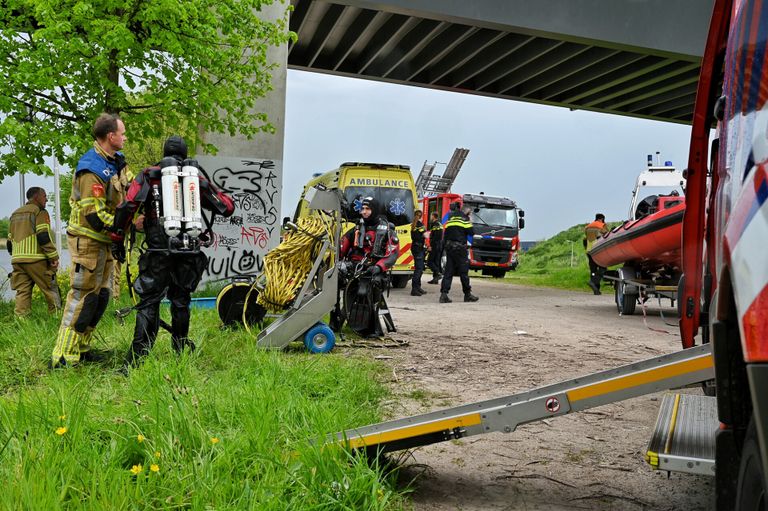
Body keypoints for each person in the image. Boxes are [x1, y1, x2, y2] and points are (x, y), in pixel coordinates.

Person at [111, 135, 235, 368]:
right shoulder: (194, 178)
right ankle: (180, 355)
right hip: (188, 251)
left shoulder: (149, 175)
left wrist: (117, 238)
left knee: (149, 302)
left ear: (164, 151)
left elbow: (128, 205)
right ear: (185, 154)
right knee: (181, 301)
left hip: (158, 250)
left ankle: (136, 361)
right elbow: (226, 207)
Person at [51, 113, 128, 368]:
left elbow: (126, 195)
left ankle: (82, 349)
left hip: (103, 241)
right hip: (88, 240)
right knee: (83, 297)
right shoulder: (91, 168)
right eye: (123, 133)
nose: (125, 137)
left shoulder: (115, 162)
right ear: (110, 136)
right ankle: (63, 356)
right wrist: (124, 225)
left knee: (100, 297)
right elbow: (94, 215)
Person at [337, 196, 399, 337]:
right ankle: (336, 321)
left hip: (374, 270)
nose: (364, 212)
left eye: (368, 209)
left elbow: (393, 253)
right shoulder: (356, 229)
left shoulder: (387, 230)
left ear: (375, 210)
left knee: (374, 283)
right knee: (337, 277)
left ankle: (372, 327)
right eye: (362, 209)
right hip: (356, 267)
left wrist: (378, 267)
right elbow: (341, 248)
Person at [7, 187, 60, 316]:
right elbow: (43, 236)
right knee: (50, 288)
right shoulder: (40, 212)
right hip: (36, 259)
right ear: (36, 197)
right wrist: (53, 257)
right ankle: (56, 317)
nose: (46, 199)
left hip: (17, 260)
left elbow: (9, 242)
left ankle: (21, 321)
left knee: (22, 292)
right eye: (44, 196)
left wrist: (16, 255)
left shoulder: (15, 214)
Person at [440, 202, 478, 303]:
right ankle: (467, 294)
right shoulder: (464, 219)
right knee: (463, 272)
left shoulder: (451, 219)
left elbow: (446, 234)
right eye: (470, 213)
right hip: (460, 249)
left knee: (448, 272)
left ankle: (444, 294)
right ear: (468, 212)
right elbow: (472, 232)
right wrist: (470, 221)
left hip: (449, 248)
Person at [584, 213, 609, 295]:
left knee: (593, 270)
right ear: (601, 219)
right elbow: (607, 236)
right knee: (603, 268)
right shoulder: (602, 225)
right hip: (598, 251)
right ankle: (593, 281)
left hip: (589, 251)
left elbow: (586, 238)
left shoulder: (588, 227)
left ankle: (596, 289)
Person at [410, 209, 427, 296]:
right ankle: (414, 289)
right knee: (419, 269)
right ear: (421, 216)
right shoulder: (420, 225)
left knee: (418, 268)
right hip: (419, 248)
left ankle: (418, 287)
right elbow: (425, 235)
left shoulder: (413, 224)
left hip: (414, 247)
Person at [426, 211, 443, 284]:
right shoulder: (439, 223)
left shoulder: (435, 224)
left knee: (430, 262)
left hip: (435, 245)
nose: (430, 217)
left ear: (433, 216)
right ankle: (435, 279)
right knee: (436, 262)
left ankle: (438, 273)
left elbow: (436, 236)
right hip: (439, 245)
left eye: (431, 216)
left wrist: (430, 246)